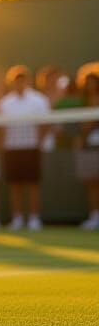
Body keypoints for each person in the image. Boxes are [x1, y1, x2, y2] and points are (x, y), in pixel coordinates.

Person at [0, 65, 50, 230]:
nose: (19, 83)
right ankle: (18, 218)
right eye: (16, 81)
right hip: (12, 148)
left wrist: (38, 143)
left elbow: (44, 125)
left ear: (27, 81)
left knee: (33, 184)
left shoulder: (39, 100)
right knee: (15, 185)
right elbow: (1, 127)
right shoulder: (5, 102)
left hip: (31, 147)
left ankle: (34, 218)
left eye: (22, 80)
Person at [72, 65, 99, 230]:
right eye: (87, 83)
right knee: (91, 182)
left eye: (93, 82)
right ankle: (95, 215)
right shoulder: (82, 102)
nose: (90, 86)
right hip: (89, 146)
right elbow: (82, 127)